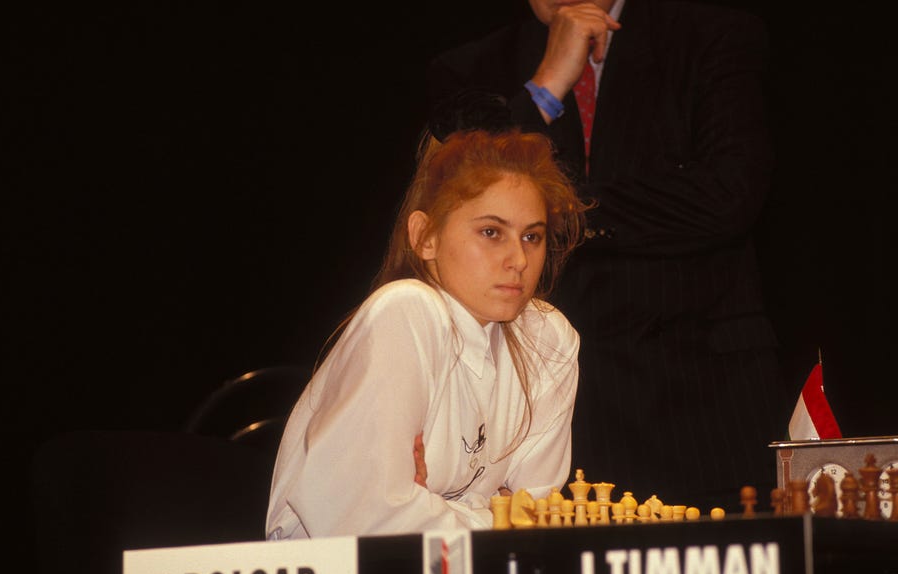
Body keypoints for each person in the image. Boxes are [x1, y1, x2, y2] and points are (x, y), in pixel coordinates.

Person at [427, 0, 788, 511]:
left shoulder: (714, 33)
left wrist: (559, 214)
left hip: (704, 396)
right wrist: (547, 85)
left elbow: (729, 195)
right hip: (555, 409)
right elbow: (465, 200)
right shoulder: (470, 68)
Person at [266, 116, 589, 538]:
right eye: (491, 232)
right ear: (425, 236)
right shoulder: (406, 310)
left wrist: (424, 503)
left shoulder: (549, 339)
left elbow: (537, 527)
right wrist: (492, 513)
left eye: (532, 237)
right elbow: (364, 522)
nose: (519, 260)